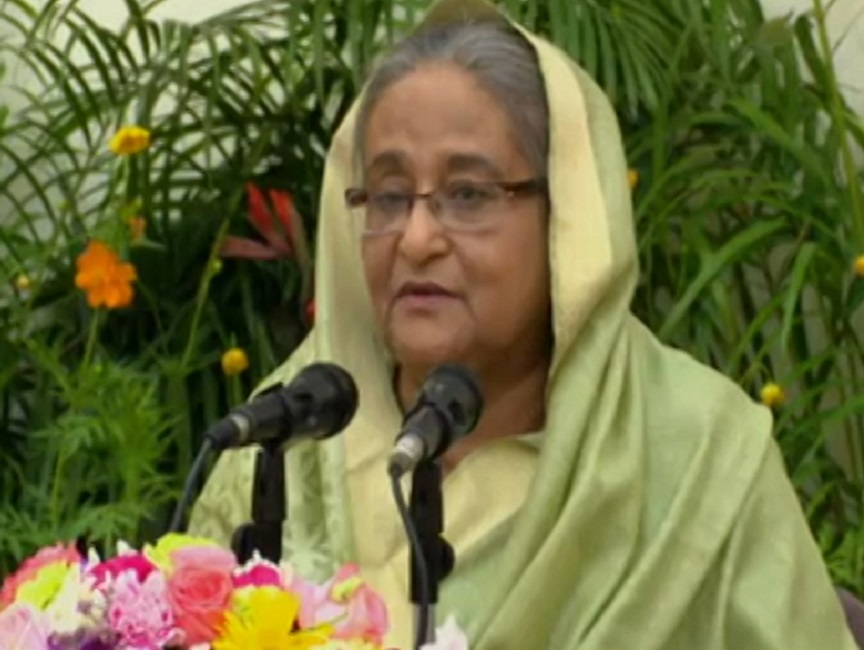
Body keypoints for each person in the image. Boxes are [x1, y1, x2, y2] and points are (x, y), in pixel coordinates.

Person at [189, 0, 858, 647]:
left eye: (468, 194)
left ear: (565, 216)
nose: (416, 238)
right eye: (389, 196)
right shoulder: (281, 441)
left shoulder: (697, 457)